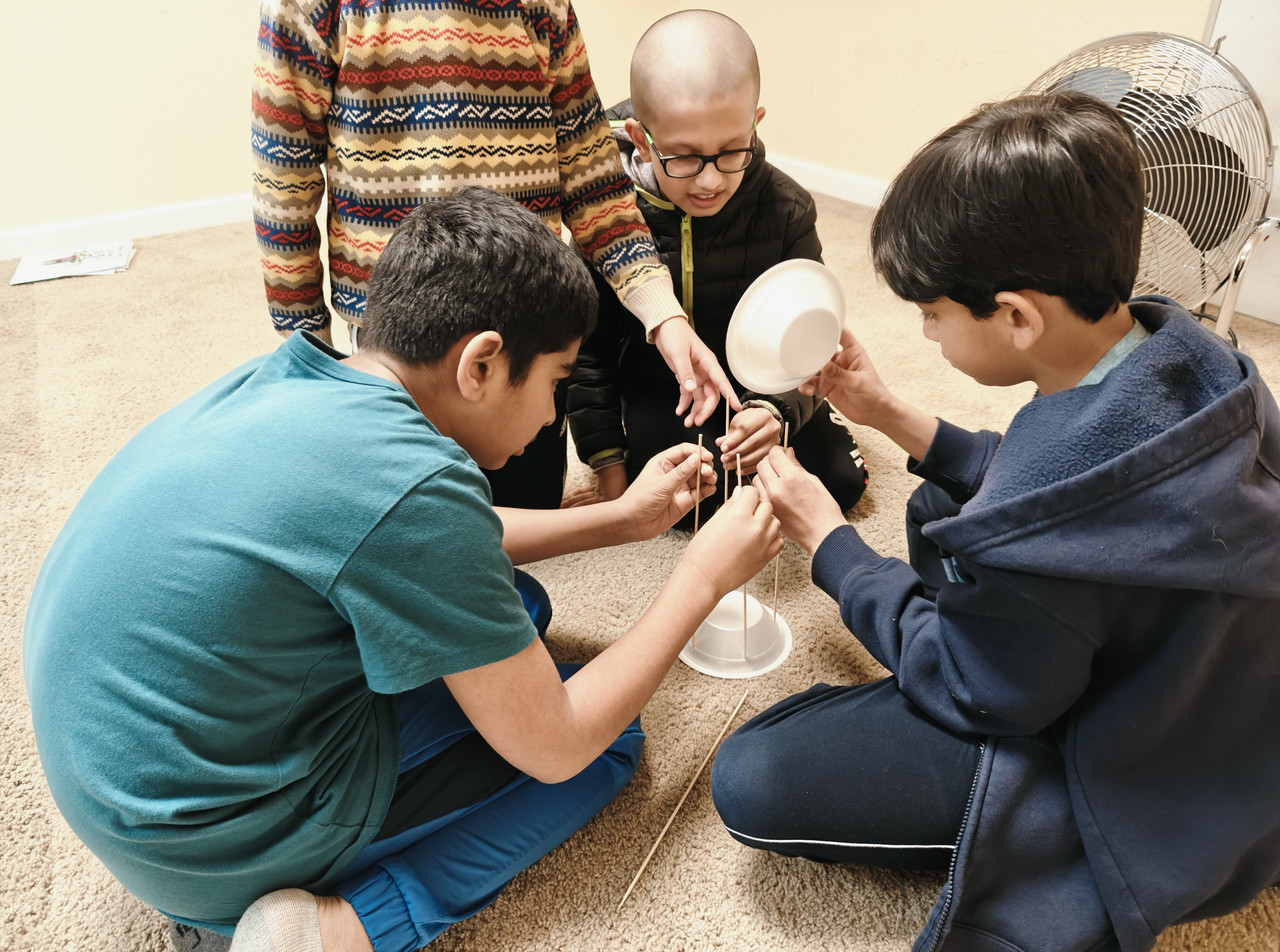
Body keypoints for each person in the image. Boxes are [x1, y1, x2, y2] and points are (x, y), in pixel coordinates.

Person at [23, 188, 781, 952]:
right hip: (209, 841)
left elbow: (413, 532)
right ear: (481, 363)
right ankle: (340, 930)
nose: (555, 417)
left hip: (116, 776)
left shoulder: (296, 378)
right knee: (605, 743)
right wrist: (702, 579)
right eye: (554, 382)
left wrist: (622, 520)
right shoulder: (417, 485)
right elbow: (556, 742)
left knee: (515, 606)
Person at [709, 92, 1280, 951]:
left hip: (1149, 780)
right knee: (945, 504)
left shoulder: (1044, 511)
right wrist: (890, 411)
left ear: (1016, 316)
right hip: (1215, 699)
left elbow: (982, 686)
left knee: (752, 774)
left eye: (933, 315)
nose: (927, 333)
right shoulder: (1197, 357)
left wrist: (831, 543)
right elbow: (1056, 491)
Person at [250, 0, 740, 510]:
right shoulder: (310, 8)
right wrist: (311, 356)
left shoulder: (545, 9)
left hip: (530, 341)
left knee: (527, 518)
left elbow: (594, 180)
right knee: (408, 530)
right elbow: (283, 188)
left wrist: (664, 316)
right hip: (404, 346)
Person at [564, 10, 868, 522]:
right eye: (683, 157)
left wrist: (776, 413)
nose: (709, 182)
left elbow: (815, 337)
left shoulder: (787, 207)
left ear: (755, 123)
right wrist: (609, 468)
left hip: (767, 377)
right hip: (663, 385)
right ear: (640, 139)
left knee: (839, 484)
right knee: (682, 503)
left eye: (731, 151)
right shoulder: (607, 222)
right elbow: (586, 357)